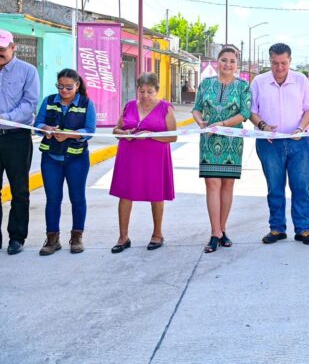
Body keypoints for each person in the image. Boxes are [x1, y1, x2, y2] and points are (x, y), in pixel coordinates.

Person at [250, 43, 309, 245]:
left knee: (301, 187)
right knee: (275, 188)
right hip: (269, 143)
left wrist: (301, 129)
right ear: (269, 61)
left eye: (284, 63)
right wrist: (262, 126)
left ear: (290, 60)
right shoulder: (259, 82)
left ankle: (303, 229)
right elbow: (252, 111)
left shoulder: (300, 80)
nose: (279, 67)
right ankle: (277, 228)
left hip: (299, 142)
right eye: (275, 63)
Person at [192, 47, 251, 253]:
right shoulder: (206, 84)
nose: (228, 64)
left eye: (232, 61)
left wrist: (224, 124)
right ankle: (215, 232)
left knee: (227, 186)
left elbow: (245, 112)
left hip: (232, 142)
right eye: (224, 60)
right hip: (209, 140)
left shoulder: (244, 86)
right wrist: (201, 122)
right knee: (212, 184)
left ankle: (222, 229)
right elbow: (196, 108)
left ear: (237, 64)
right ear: (217, 62)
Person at [109, 73, 177, 253]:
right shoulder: (129, 106)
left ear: (157, 91)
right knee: (125, 194)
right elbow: (116, 130)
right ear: (137, 90)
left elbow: (173, 136)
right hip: (129, 156)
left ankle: (157, 234)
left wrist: (150, 135)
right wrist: (124, 134)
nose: (145, 95)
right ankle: (123, 237)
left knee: (156, 195)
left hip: (155, 158)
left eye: (150, 91)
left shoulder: (165, 108)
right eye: (141, 91)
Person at [35, 69, 96, 255]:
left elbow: (90, 130)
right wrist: (45, 128)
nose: (64, 90)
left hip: (77, 159)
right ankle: (52, 239)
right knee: (53, 199)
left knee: (77, 198)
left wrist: (70, 134)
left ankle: (76, 237)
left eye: (69, 87)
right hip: (51, 159)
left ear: (77, 86)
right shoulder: (49, 101)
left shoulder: (86, 104)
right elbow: (37, 125)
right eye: (60, 86)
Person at [0, 29, 40, 254]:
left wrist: (6, 118)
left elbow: (29, 104)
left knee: (19, 190)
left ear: (13, 47)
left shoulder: (28, 71)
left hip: (16, 137)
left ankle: (17, 237)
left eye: (2, 50)